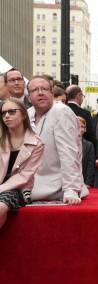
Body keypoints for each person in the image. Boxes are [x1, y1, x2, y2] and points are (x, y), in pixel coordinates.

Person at [27, 76, 87, 204]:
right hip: (31, 185)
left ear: (51, 93)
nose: (40, 92)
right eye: (35, 90)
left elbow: (69, 153)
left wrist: (71, 189)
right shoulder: (28, 114)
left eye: (44, 89)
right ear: (29, 98)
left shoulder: (61, 112)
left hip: (59, 187)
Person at [0, 98, 44, 229]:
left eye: (12, 111)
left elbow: (25, 176)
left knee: (1, 207)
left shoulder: (37, 143)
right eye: (3, 113)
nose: (7, 116)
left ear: (24, 114)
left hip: (19, 189)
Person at [76, 116, 95, 187]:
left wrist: (87, 183)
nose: (80, 129)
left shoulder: (89, 145)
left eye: (83, 127)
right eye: (78, 126)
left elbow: (91, 165)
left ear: (85, 129)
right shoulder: (66, 143)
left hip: (84, 182)